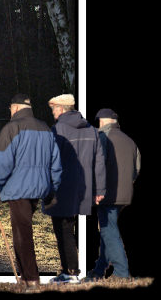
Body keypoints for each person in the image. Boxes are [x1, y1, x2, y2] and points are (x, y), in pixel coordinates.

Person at [0, 94, 62, 288]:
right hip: (39, 188)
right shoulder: (45, 127)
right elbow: (56, 161)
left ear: (17, 108)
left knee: (23, 233)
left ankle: (32, 279)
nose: (10, 112)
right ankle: (25, 276)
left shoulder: (12, 128)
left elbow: (2, 161)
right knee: (21, 230)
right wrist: (54, 185)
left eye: (11, 108)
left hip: (18, 187)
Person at [43, 94, 106, 284]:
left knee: (63, 229)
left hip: (62, 188)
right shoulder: (91, 130)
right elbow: (99, 162)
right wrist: (100, 189)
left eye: (54, 109)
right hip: (84, 188)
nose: (53, 112)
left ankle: (70, 271)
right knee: (73, 228)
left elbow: (50, 161)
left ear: (61, 109)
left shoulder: (58, 129)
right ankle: (71, 269)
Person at [83, 109, 141, 282]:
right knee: (108, 231)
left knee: (109, 231)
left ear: (102, 121)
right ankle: (99, 269)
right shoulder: (130, 141)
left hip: (107, 193)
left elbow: (97, 166)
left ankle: (122, 273)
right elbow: (137, 168)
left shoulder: (103, 138)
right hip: (125, 193)